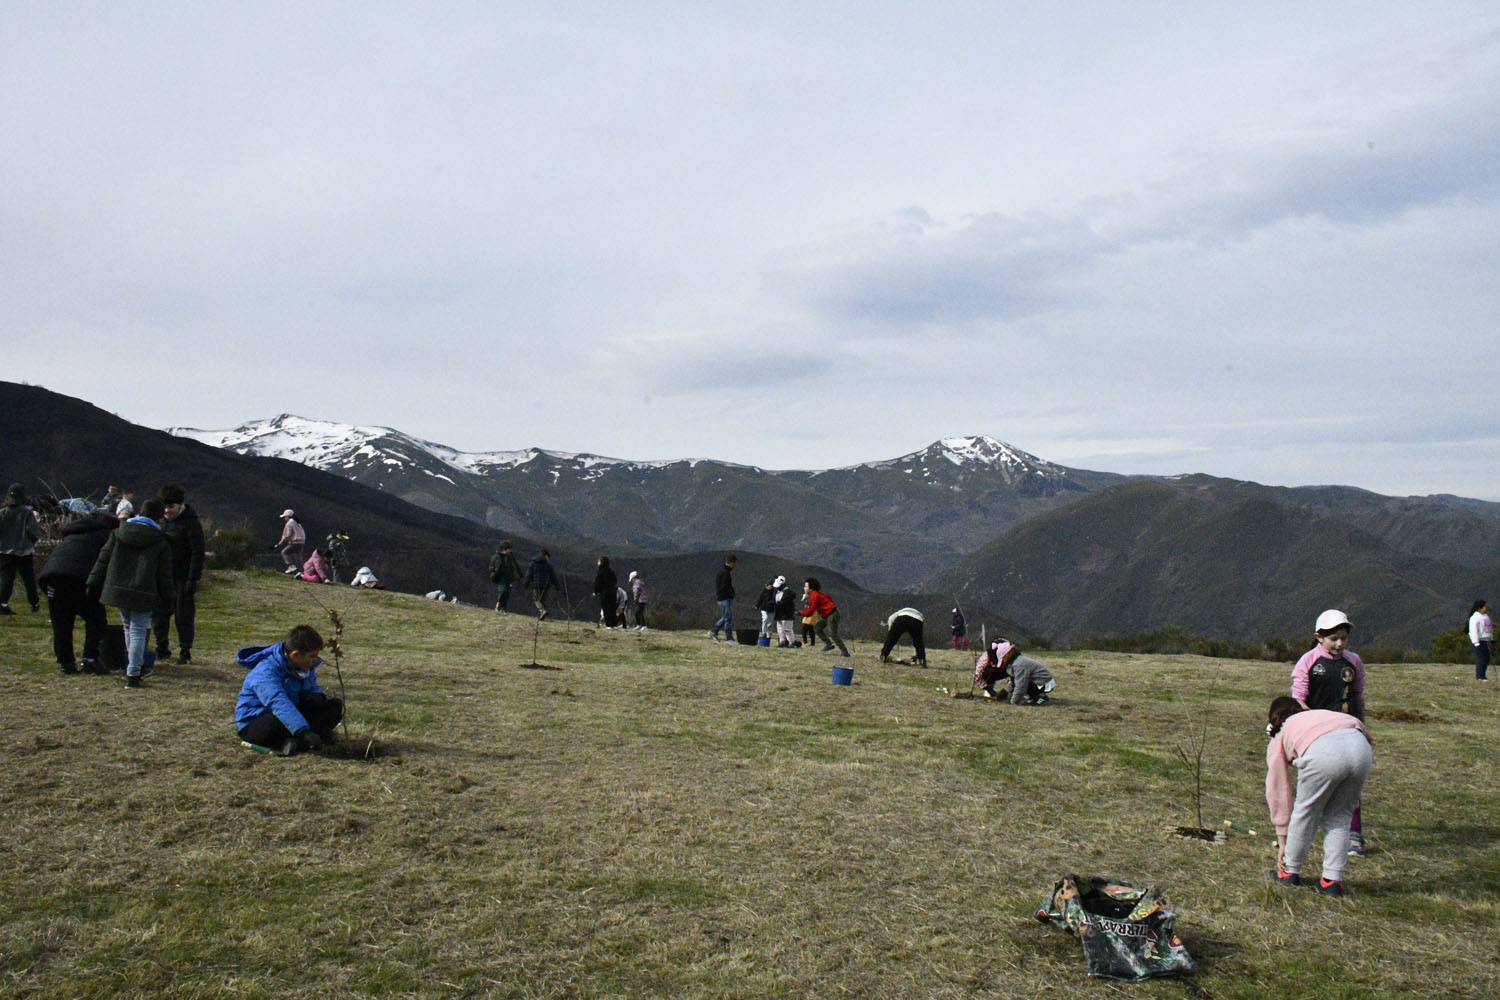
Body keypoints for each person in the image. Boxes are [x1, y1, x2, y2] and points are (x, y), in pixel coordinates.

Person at [1264, 696, 1373, 898]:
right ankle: (1332, 880)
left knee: (1305, 812)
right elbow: (1360, 728)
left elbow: (1278, 789)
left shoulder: (1281, 731)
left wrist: (1282, 837)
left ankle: (1289, 871)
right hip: (1360, 748)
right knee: (1340, 815)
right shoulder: (1320, 714)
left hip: (1324, 752)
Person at [1291, 609, 1368, 856]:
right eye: (1334, 639)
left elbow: (1358, 696)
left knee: (1350, 786)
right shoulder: (1308, 661)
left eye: (1343, 638)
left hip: (1348, 730)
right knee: (1313, 785)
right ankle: (1303, 833)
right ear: (1319, 637)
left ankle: (1353, 834)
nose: (1339, 644)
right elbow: (1299, 698)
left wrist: (1362, 727)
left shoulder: (1353, 662)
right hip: (1317, 732)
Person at [87, 497, 174, 688]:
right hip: (144, 591)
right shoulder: (160, 541)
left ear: (139, 513)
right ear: (159, 518)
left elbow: (103, 559)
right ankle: (134, 672)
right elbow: (164, 575)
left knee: (128, 627)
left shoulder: (118, 533)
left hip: (117, 589)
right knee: (138, 630)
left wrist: (93, 582)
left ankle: (133, 667)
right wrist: (169, 598)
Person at [234, 624, 343, 756]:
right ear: (295, 655)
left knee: (334, 706)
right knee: (276, 723)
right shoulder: (265, 671)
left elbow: (312, 687)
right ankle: (301, 738)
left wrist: (317, 696)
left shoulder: (304, 667)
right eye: (312, 656)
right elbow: (278, 702)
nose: (316, 660)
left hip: (291, 712)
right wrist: (302, 730)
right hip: (257, 721)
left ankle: (298, 741)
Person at [38, 508, 118, 673]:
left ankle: (66, 663)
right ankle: (90, 659)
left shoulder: (74, 532)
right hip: (79, 579)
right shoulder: (105, 536)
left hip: (51, 577)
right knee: (96, 619)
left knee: (62, 623)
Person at [152, 484, 205, 665]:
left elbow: (197, 552)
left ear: (180, 505)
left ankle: (185, 652)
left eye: (171, 507)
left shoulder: (191, 523)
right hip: (162, 577)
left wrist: (193, 579)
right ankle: (161, 648)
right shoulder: (160, 522)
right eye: (165, 507)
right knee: (159, 615)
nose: (168, 511)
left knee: (183, 616)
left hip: (182, 577)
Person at [0, 482, 43, 615]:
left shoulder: (2, 513)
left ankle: (3, 604)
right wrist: (32, 542)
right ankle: (34, 603)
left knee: (7, 578)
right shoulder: (27, 513)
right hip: (24, 552)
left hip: (5, 551)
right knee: (29, 579)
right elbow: (32, 532)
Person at [975, 640, 1054, 704]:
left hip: (1044, 683)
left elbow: (1021, 685)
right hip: (1037, 682)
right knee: (1022, 685)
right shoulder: (1013, 664)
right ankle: (1036, 696)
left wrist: (1013, 702)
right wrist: (1005, 691)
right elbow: (1013, 681)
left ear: (1006, 655)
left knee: (1025, 686)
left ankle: (1041, 698)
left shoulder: (1019, 664)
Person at [800, 578, 849, 656]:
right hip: (828, 614)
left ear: (811, 588)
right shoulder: (814, 594)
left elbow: (811, 609)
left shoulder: (814, 595)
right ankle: (829, 644)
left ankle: (845, 652)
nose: (804, 588)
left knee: (833, 634)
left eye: (806, 586)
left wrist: (801, 613)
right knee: (817, 628)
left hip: (832, 614)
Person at [522, 548, 557, 620]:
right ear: (546, 556)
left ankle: (543, 612)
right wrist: (557, 586)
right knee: (542, 600)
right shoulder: (548, 565)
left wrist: (526, 584)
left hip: (536, 584)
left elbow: (528, 574)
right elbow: (553, 577)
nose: (548, 559)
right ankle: (544, 613)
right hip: (545, 586)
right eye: (548, 557)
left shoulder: (533, 563)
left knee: (536, 599)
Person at [489, 540, 522, 612]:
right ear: (504, 549)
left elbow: (515, 566)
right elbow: (491, 566)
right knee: (502, 590)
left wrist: (517, 575)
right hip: (500, 576)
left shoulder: (510, 557)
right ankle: (498, 605)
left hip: (509, 577)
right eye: (509, 549)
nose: (510, 550)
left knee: (507, 592)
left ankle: (503, 608)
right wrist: (495, 570)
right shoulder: (497, 556)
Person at [710, 555, 737, 641]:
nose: (734, 565)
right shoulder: (726, 573)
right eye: (734, 563)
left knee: (727, 617)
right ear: (731, 563)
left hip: (721, 597)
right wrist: (731, 594)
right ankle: (728, 637)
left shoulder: (721, 572)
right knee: (728, 618)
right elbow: (725, 586)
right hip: (725, 598)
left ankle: (714, 630)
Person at [1468, 599, 1492, 682]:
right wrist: (1476, 642)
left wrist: (1491, 638)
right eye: (1485, 607)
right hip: (1479, 641)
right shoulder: (1475, 618)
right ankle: (1480, 676)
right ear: (1479, 608)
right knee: (1481, 658)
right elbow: (1473, 631)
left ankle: (1483, 675)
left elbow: (1489, 629)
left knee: (1486, 659)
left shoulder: (1486, 616)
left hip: (1486, 641)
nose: (1486, 608)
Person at [276, 509, 305, 574]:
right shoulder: (296, 522)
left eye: (284, 517)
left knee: (284, 552)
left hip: (295, 542)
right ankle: (302, 572)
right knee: (298, 557)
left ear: (288, 516)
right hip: (301, 542)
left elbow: (288, 534)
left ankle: (291, 565)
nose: (284, 518)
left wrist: (282, 541)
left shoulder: (290, 523)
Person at [593, 556, 618, 628]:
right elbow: (615, 581)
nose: (597, 563)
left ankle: (608, 624)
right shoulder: (611, 571)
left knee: (606, 609)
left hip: (604, 593)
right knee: (612, 608)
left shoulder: (600, 572)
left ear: (601, 563)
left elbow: (598, 583)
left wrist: (596, 592)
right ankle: (614, 624)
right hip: (613, 592)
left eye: (599, 561)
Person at [772, 576, 798, 647]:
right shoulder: (776, 592)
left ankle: (791, 642)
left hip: (787, 614)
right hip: (779, 613)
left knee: (787, 629)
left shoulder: (788, 593)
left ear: (783, 585)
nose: (777, 587)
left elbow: (786, 602)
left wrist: (779, 604)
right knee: (780, 629)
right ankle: (782, 641)